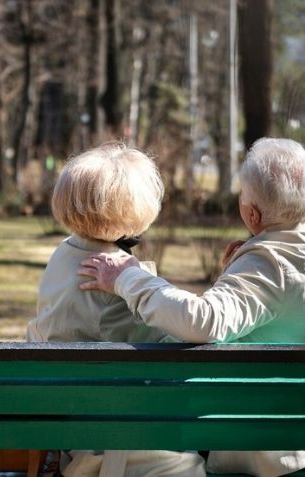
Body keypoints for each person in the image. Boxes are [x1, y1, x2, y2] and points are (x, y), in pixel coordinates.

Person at [78, 138, 305, 477]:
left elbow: (203, 322)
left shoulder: (270, 263)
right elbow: (294, 307)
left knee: (159, 408)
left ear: (252, 213)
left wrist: (127, 278)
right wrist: (242, 266)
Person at [28, 142, 205, 477]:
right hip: (111, 439)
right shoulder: (111, 277)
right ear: (134, 208)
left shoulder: (64, 255)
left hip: (72, 421)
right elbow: (171, 349)